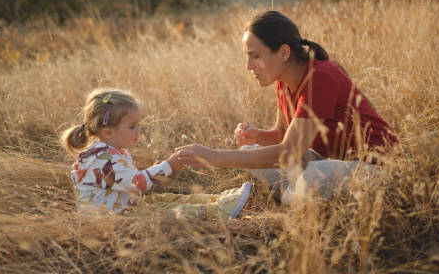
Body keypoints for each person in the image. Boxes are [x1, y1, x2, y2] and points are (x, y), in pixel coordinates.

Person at [175, 11, 398, 203]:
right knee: (249, 152)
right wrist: (257, 136)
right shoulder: (283, 80)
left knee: (315, 175)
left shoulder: (321, 77)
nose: (248, 66)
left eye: (255, 56)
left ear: (283, 53)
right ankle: (294, 194)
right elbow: (283, 134)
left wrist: (213, 157)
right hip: (329, 162)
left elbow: (289, 152)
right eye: (247, 57)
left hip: (375, 169)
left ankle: (291, 196)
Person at [61, 88, 252, 219]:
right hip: (113, 218)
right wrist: (168, 166)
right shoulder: (102, 160)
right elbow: (138, 183)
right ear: (108, 132)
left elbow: (129, 185)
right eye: (132, 126)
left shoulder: (107, 152)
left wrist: (157, 170)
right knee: (165, 210)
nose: (138, 131)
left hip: (124, 207)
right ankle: (216, 212)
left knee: (164, 198)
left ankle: (217, 200)